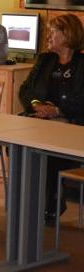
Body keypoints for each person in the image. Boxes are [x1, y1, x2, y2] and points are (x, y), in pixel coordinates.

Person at [19, 13, 84, 225]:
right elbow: (25, 90)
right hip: (41, 121)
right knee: (18, 146)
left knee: (50, 149)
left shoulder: (82, 65)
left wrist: (57, 110)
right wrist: (37, 105)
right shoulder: (45, 60)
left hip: (72, 124)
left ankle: (51, 200)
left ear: (68, 34)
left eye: (53, 31)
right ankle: (27, 200)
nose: (48, 35)